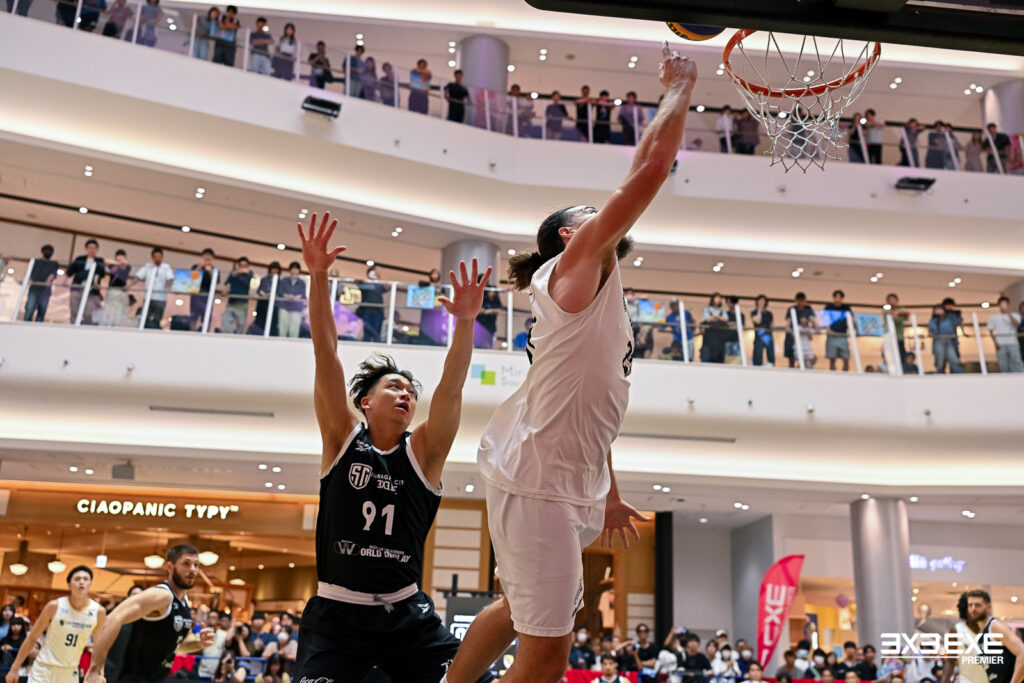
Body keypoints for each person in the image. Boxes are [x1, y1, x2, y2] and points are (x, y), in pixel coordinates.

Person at [445, 42, 696, 683]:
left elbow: (590, 403)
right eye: (591, 213)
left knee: (518, 611)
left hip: (561, 476)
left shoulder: (597, 279)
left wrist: (608, 489)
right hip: (539, 480)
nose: (603, 211)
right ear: (570, 233)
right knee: (547, 657)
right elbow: (650, 171)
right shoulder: (575, 266)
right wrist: (679, 89)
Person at [292, 212, 494, 683]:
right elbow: (325, 350)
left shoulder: (423, 454)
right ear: (365, 401)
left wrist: (466, 322)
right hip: (337, 618)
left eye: (410, 391)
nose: (406, 394)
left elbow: (451, 388)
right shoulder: (341, 438)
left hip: (406, 617)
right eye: (394, 387)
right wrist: (318, 275)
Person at [84, 545, 215, 683]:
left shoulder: (184, 602)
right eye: (186, 564)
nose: (193, 569)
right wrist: (95, 670)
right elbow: (112, 618)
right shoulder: (162, 595)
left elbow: (179, 646)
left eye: (196, 565)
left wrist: (200, 642)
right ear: (170, 567)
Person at [7, 568, 105, 683]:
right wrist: (14, 668)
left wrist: (100, 673)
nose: (82, 582)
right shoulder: (54, 606)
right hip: (44, 669)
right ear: (69, 586)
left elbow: (100, 646)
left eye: (85, 579)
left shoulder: (98, 611)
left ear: (90, 584)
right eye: (77, 579)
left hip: (69, 672)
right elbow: (32, 638)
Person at [67, 239, 106, 325]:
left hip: (91, 291)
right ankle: (74, 326)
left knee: (88, 312)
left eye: (94, 248)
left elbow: (100, 274)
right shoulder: (80, 259)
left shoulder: (99, 261)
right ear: (86, 248)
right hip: (77, 287)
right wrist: (65, 281)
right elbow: (69, 272)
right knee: (74, 309)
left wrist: (96, 283)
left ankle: (86, 328)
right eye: (90, 248)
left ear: (97, 249)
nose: (92, 250)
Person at [987, 296, 1024, 373]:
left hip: (1013, 343)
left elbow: (1016, 324)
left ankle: (1020, 377)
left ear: (1009, 304)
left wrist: (1008, 313)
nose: (1003, 306)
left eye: (1005, 304)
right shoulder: (994, 317)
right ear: (999, 305)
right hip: (1000, 344)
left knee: (1017, 362)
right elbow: (990, 330)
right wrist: (995, 342)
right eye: (1001, 304)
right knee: (1003, 365)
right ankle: (1006, 378)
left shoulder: (1015, 315)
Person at [23, 244, 59, 323]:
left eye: (50, 251)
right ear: (42, 252)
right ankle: (26, 325)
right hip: (34, 288)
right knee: (29, 309)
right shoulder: (35, 262)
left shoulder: (54, 263)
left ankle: (37, 327)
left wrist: (50, 278)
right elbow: (30, 274)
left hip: (45, 290)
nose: (48, 253)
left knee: (41, 311)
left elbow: (54, 274)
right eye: (46, 251)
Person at [222, 257, 255, 334]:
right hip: (232, 302)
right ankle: (230, 335)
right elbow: (228, 284)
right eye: (241, 265)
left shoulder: (249, 274)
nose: (243, 267)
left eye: (245, 265)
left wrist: (238, 272)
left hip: (242, 303)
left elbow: (248, 279)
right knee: (225, 319)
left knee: (241, 323)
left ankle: (238, 336)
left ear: (248, 266)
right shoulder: (233, 273)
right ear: (238, 265)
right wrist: (224, 291)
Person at [99, 250, 132, 327]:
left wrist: (122, 264)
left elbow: (125, 267)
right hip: (112, 290)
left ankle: (117, 324)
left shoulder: (128, 266)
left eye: (122, 257)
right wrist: (118, 264)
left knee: (120, 309)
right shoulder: (113, 265)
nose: (120, 258)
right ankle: (108, 324)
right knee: (110, 308)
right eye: (118, 257)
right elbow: (106, 263)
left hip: (122, 291)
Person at [189, 248, 219, 331]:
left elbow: (215, 282)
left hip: (208, 296)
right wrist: (200, 266)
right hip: (196, 295)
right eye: (206, 256)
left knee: (207, 316)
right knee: (193, 315)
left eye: (209, 257)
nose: (207, 258)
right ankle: (191, 331)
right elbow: (191, 278)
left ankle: (205, 332)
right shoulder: (196, 267)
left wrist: (209, 271)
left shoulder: (214, 270)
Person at [928, 304, 963, 374]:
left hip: (950, 340)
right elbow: (930, 329)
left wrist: (963, 332)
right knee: (940, 361)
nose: (938, 311)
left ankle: (958, 374)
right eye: (936, 310)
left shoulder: (951, 317)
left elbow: (959, 322)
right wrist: (930, 333)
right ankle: (940, 374)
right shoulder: (933, 320)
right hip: (938, 340)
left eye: (939, 309)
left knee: (954, 360)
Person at [784, 292, 816, 368]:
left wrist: (809, 330)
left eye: (802, 300)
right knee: (791, 358)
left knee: (808, 357)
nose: (801, 302)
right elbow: (788, 325)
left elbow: (814, 323)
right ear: (796, 300)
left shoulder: (808, 309)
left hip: (803, 339)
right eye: (799, 300)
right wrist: (794, 332)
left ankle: (803, 368)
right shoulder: (792, 309)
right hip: (793, 337)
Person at [355, 265, 386, 343]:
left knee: (376, 332)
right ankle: (365, 344)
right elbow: (356, 281)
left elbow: (386, 287)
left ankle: (377, 346)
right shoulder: (365, 283)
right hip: (367, 311)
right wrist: (364, 280)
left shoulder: (379, 285)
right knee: (367, 332)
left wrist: (379, 277)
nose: (374, 274)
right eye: (373, 272)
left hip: (378, 311)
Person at [276, 262, 307, 338]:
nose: (294, 270)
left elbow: (303, 295)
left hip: (296, 309)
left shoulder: (302, 283)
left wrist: (296, 297)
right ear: (290, 270)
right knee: (282, 330)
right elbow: (280, 292)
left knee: (294, 331)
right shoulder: (284, 280)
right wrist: (286, 296)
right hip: (284, 307)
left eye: (296, 268)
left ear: (299, 270)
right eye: (293, 268)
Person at [824, 289, 852, 372]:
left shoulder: (846, 308)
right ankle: (833, 374)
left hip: (843, 335)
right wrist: (829, 330)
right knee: (832, 358)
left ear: (842, 298)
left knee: (846, 358)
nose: (837, 299)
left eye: (839, 297)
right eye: (836, 297)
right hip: (832, 335)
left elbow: (851, 319)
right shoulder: (829, 307)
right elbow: (826, 318)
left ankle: (845, 375)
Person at [253, 262, 281, 335]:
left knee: (272, 322)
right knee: (260, 322)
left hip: (274, 305)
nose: (274, 270)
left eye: (276, 269)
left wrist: (273, 295)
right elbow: (259, 290)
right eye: (273, 268)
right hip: (263, 304)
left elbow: (280, 293)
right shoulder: (264, 279)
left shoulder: (280, 281)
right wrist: (264, 294)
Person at [700, 293, 729, 364]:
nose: (718, 300)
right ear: (712, 299)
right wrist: (719, 318)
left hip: (719, 342)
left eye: (719, 298)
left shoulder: (723, 311)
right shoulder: (707, 309)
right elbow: (707, 319)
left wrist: (715, 317)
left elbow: (726, 319)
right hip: (708, 340)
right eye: (716, 298)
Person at [750, 294, 774, 366]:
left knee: (770, 353)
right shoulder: (754, 312)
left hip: (768, 335)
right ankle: (757, 365)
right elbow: (757, 321)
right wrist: (759, 311)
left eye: (763, 301)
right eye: (760, 301)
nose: (761, 302)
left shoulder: (769, 314)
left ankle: (771, 365)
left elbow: (771, 325)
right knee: (758, 352)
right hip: (759, 335)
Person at [885, 293, 910, 359]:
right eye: (889, 300)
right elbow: (888, 313)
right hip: (889, 338)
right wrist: (895, 313)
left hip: (899, 338)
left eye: (893, 300)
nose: (891, 302)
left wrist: (897, 312)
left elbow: (907, 313)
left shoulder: (901, 309)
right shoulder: (886, 309)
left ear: (897, 300)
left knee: (901, 356)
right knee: (890, 357)